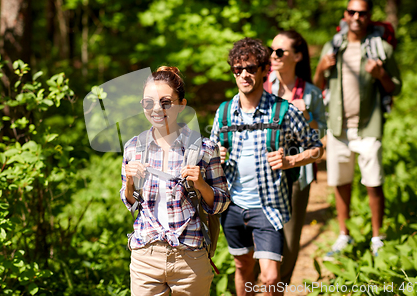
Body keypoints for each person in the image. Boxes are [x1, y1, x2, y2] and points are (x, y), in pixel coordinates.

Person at [210, 38, 323, 296]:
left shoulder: (283, 111)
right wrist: (216, 155)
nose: (244, 74)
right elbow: (210, 153)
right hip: (234, 206)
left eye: (250, 68)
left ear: (264, 71)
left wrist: (291, 161)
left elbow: (317, 148)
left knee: (271, 277)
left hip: (268, 206)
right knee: (242, 267)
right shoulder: (224, 112)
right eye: (238, 69)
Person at [120, 66, 231, 296]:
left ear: (181, 104)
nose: (157, 109)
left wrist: (201, 184)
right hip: (145, 256)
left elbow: (222, 202)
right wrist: (129, 182)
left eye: (166, 102)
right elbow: (129, 201)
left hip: (190, 257)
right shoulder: (133, 147)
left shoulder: (204, 148)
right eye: (148, 102)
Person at [313, 0, 402, 258]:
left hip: (368, 127)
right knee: (341, 183)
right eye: (352, 12)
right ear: (345, 16)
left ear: (369, 17)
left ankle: (377, 238)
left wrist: (381, 74)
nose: (356, 17)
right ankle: (344, 236)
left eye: (362, 13)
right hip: (338, 129)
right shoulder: (334, 47)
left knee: (373, 183)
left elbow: (395, 88)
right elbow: (317, 88)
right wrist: (320, 67)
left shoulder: (381, 50)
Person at [265, 30, 326, 284]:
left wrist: (307, 115)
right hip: (262, 170)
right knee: (259, 235)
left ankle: (280, 285)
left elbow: (321, 131)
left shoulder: (310, 93)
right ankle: (258, 281)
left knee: (290, 240)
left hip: (298, 172)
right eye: (272, 50)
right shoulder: (263, 85)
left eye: (280, 52)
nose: (273, 55)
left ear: (297, 56)